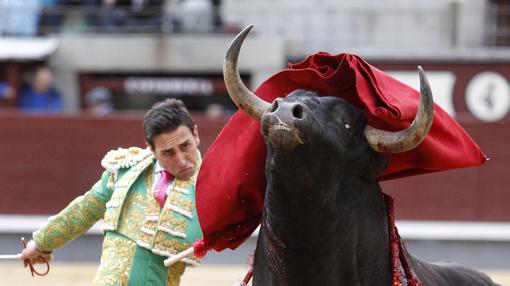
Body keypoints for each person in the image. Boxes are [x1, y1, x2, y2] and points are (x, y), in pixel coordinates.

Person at [22, 98, 204, 285]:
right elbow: (85, 209)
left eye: (185, 146)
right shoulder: (127, 170)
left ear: (196, 135)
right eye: (168, 153)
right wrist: (41, 243)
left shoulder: (213, 184)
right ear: (152, 150)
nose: (181, 160)